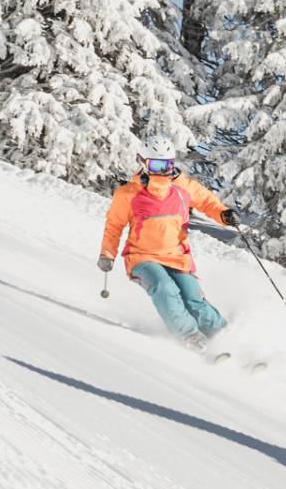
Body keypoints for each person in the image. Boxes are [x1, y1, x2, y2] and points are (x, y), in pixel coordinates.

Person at [99, 135, 239, 352]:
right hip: (141, 257)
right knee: (165, 288)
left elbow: (206, 200)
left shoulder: (183, 187)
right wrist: (107, 253)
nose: (162, 170)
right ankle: (189, 336)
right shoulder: (128, 194)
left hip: (176, 255)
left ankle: (221, 334)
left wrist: (223, 214)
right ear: (143, 163)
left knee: (193, 297)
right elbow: (114, 225)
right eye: (156, 164)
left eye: (167, 164)